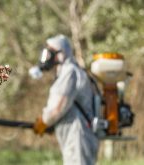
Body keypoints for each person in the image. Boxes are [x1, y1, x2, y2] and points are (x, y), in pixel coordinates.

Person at [29, 34, 99, 165]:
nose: (47, 58)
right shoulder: (66, 72)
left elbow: (58, 107)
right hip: (74, 136)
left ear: (61, 54)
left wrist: (44, 122)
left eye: (50, 53)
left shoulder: (69, 72)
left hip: (78, 136)